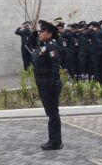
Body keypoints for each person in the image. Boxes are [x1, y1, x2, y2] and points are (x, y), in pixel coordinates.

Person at [35, 20, 63, 150]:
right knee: (51, 112)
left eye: (42, 31)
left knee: (52, 113)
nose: (39, 33)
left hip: (48, 83)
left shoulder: (51, 47)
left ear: (49, 34)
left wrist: (54, 82)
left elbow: (55, 65)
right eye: (40, 31)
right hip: (42, 83)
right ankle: (54, 140)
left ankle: (55, 142)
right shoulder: (42, 46)